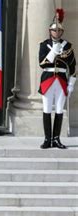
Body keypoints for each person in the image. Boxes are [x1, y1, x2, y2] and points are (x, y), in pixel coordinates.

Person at [38, 8, 76, 149]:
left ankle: (57, 139)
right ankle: (47, 139)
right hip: (47, 78)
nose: (57, 33)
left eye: (59, 31)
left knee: (59, 109)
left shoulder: (68, 46)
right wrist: (53, 51)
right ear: (50, 31)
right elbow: (42, 63)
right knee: (47, 109)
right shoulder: (44, 45)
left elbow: (73, 67)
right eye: (54, 30)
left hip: (61, 79)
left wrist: (71, 84)